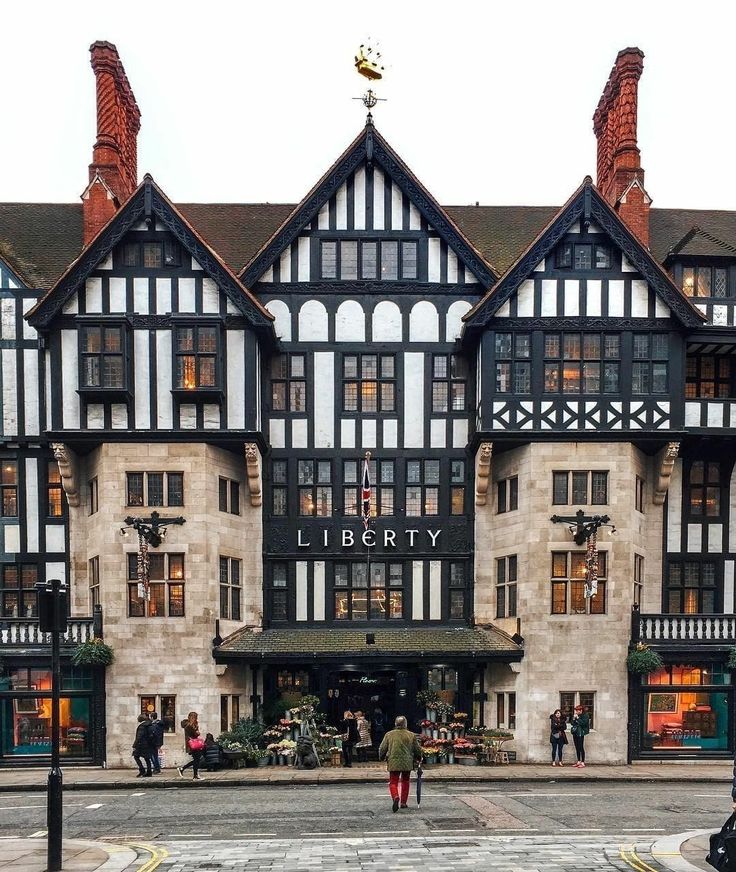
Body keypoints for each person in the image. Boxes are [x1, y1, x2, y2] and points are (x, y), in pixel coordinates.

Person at [379, 715, 422, 812]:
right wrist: (419, 758)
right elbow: (417, 749)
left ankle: (395, 796)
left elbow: (382, 748)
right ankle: (403, 802)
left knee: (393, 782)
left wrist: (381, 757)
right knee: (405, 781)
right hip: (407, 762)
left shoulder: (389, 734)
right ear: (405, 724)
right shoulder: (411, 735)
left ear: (395, 724)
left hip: (393, 761)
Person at [177, 711, 204, 780]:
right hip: (193, 744)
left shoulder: (193, 725)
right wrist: (197, 732)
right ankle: (194, 775)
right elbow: (193, 734)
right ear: (192, 718)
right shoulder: (189, 726)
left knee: (196, 760)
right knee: (196, 759)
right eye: (195, 717)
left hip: (193, 744)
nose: (196, 719)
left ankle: (184, 769)